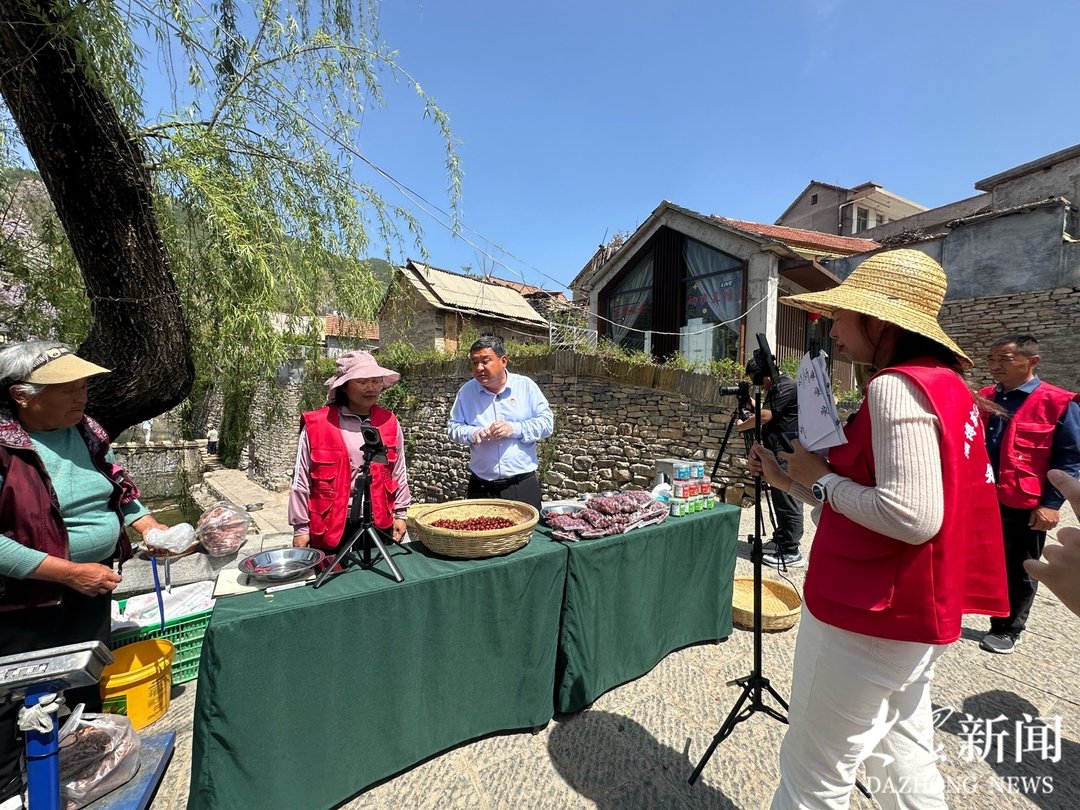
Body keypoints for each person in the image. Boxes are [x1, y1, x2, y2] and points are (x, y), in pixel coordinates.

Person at [749, 249, 1008, 809]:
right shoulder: (947, 385)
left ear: (880, 320)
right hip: (915, 609)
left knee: (813, 772)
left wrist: (818, 479)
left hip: (867, 611)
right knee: (900, 751)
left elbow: (910, 516)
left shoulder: (894, 387)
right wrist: (789, 480)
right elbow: (876, 503)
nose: (834, 329)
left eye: (843, 315)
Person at [0, 341, 170, 805]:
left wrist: (147, 525)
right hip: (25, 598)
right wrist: (69, 573)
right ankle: (12, 789)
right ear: (22, 395)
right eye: (68, 388)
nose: (82, 396)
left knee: (82, 679)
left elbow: (114, 483)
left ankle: (79, 774)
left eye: (83, 386)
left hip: (91, 584)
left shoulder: (86, 429)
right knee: (18, 699)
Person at [978, 335, 1080, 654]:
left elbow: (1070, 457)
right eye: (991, 359)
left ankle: (1008, 628)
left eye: (1004, 359)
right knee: (980, 557)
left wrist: (1051, 504)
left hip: (1024, 499)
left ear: (1032, 361)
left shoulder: (1059, 402)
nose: (995, 366)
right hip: (980, 494)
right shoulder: (984, 397)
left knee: (1020, 566)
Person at [288, 351, 411, 551]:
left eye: (376, 381)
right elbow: (301, 478)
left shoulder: (389, 421)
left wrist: (401, 514)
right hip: (331, 523)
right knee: (332, 570)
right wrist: (300, 528)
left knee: (377, 569)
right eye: (361, 381)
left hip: (378, 519)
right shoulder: (317, 424)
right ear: (344, 386)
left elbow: (398, 471)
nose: (371, 388)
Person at [447, 336, 554, 512]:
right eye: (474, 362)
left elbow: (547, 423)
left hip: (521, 485)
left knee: (530, 530)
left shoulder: (525, 387)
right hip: (481, 487)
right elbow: (453, 428)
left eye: (485, 361)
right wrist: (473, 434)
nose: (479, 368)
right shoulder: (466, 392)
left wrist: (514, 428)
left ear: (503, 361)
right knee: (479, 530)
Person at [737, 355, 803, 567]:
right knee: (780, 498)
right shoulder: (778, 387)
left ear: (764, 375)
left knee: (788, 499)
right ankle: (782, 539)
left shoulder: (785, 386)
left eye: (756, 380)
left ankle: (792, 551)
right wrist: (750, 402)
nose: (759, 385)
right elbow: (767, 409)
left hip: (787, 452)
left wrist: (741, 426)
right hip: (780, 451)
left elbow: (765, 416)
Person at [1025, 469, 1080, 618]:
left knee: (1022, 569)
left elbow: (1068, 460)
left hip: (1027, 498)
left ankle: (1009, 627)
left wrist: (1051, 503)